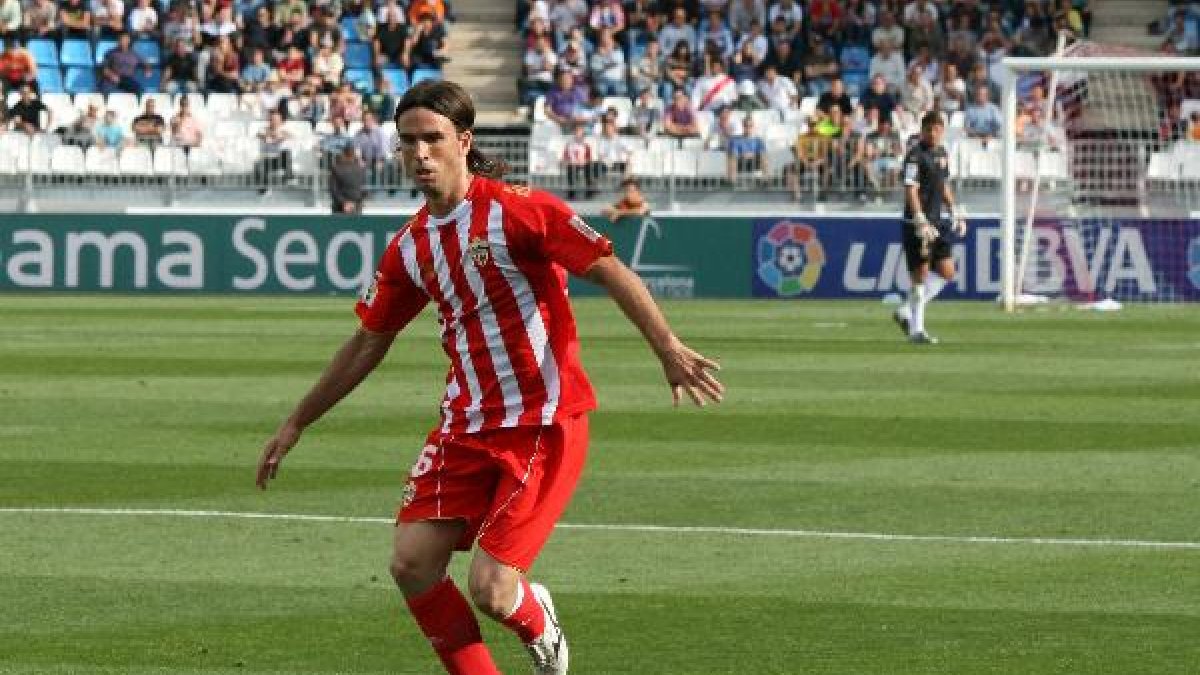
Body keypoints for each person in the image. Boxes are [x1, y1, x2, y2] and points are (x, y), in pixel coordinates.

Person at [255, 79, 723, 675]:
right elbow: (368, 342)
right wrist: (296, 422)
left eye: (433, 139)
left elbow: (608, 269)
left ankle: (537, 618)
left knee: (493, 589)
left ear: (463, 141)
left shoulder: (519, 210)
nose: (420, 153)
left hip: (542, 419)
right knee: (412, 564)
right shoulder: (409, 246)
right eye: (407, 142)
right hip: (465, 426)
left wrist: (668, 347)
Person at [893, 111, 966, 344]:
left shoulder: (942, 153)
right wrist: (919, 218)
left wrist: (954, 210)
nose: (933, 134)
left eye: (937, 129)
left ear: (942, 131)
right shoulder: (915, 156)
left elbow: (943, 185)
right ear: (923, 130)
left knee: (947, 271)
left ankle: (906, 310)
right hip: (918, 222)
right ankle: (917, 331)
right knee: (920, 276)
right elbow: (910, 189)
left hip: (938, 221)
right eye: (929, 129)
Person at [329, 142, 366, 214]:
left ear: (343, 154)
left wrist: (344, 203)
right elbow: (362, 189)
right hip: (356, 206)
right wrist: (354, 203)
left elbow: (333, 189)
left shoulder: (336, 168)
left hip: (340, 207)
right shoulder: (361, 169)